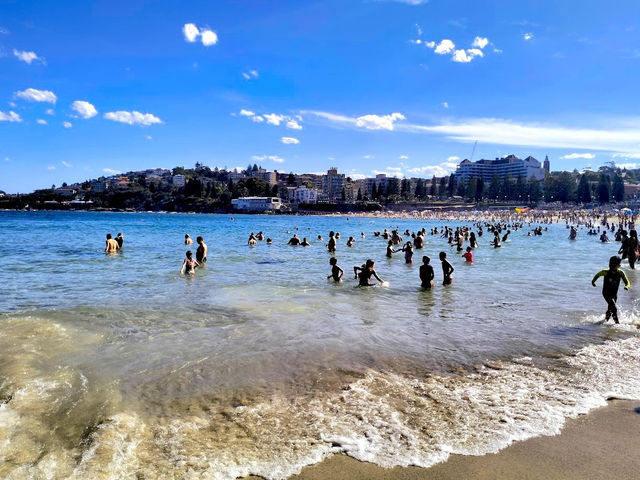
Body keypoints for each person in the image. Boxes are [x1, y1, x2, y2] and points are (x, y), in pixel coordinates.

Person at [592, 256, 630, 324]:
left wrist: (627, 286)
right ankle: (617, 324)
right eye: (619, 263)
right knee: (614, 308)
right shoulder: (605, 272)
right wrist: (593, 281)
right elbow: (597, 275)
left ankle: (604, 322)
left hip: (614, 294)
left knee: (610, 309)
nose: (620, 265)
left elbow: (627, 282)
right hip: (606, 293)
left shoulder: (620, 273)